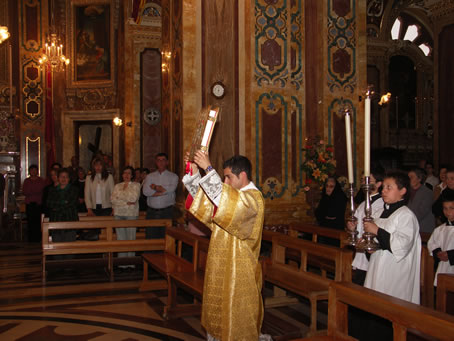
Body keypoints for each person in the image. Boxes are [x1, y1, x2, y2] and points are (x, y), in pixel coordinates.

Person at [183, 151, 267, 341]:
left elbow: (229, 203)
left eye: (228, 177)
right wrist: (194, 174)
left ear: (242, 175)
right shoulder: (233, 197)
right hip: (221, 265)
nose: (226, 182)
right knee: (219, 317)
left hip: (240, 271)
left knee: (238, 322)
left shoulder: (254, 199)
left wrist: (208, 169)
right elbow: (208, 204)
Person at [364, 171, 421, 304]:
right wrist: (370, 245)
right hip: (377, 268)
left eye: (389, 187)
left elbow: (401, 246)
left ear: (402, 191)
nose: (384, 191)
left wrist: (377, 230)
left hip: (395, 273)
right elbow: (379, 243)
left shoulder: (406, 216)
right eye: (383, 187)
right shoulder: (380, 213)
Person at [346, 168, 384, 285]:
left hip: (374, 253)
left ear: (378, 184)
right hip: (361, 253)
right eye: (362, 180)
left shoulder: (382, 204)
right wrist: (352, 228)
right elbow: (356, 228)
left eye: (368, 180)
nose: (364, 183)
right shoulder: (362, 204)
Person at [111, 166, 141, 271]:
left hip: (131, 214)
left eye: (129, 173)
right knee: (121, 239)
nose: (126, 175)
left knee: (130, 238)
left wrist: (120, 199)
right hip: (118, 214)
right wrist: (125, 202)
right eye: (125, 173)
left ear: (132, 175)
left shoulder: (136, 185)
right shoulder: (117, 186)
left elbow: (133, 198)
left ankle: (131, 263)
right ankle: (122, 263)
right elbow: (113, 200)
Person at [142, 153, 178, 239]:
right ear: (156, 162)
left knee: (166, 238)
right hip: (152, 212)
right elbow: (145, 192)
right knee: (151, 237)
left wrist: (154, 187)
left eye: (163, 160)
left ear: (167, 162)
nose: (161, 162)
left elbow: (171, 189)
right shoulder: (150, 176)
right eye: (158, 160)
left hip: (167, 212)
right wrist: (161, 190)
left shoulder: (173, 176)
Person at [84, 157, 115, 240]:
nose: (98, 167)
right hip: (94, 208)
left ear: (103, 166)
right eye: (96, 165)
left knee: (105, 230)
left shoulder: (109, 177)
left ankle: (107, 249)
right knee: (95, 230)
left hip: (106, 207)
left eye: (100, 165)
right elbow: (87, 194)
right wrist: (89, 209)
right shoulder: (89, 178)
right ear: (93, 166)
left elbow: (113, 194)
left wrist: (114, 208)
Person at [427, 192, 454, 286]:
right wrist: (438, 252)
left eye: (451, 208)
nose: (448, 212)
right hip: (443, 267)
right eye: (445, 208)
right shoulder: (440, 229)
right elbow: (432, 243)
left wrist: (450, 255)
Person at [46, 168, 79, 242]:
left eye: (66, 177)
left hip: (70, 219)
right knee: (57, 247)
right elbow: (49, 203)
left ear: (69, 179)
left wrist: (57, 207)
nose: (63, 179)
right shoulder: (52, 190)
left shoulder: (74, 189)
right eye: (61, 176)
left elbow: (71, 203)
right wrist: (64, 202)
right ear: (58, 178)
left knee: (69, 247)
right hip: (56, 221)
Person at [22, 165, 46, 243]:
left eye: (35, 170)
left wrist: (33, 191)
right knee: (30, 222)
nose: (33, 171)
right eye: (32, 170)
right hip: (30, 204)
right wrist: (34, 191)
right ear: (29, 171)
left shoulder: (41, 180)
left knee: (38, 222)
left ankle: (38, 238)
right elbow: (25, 191)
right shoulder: (27, 181)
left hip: (38, 204)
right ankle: (31, 239)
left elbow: (41, 190)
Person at [408, 168, 435, 233]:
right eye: (408, 177)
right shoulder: (407, 191)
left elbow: (422, 211)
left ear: (419, 179)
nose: (408, 180)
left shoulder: (427, 192)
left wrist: (407, 221)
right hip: (409, 225)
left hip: (423, 226)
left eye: (411, 177)